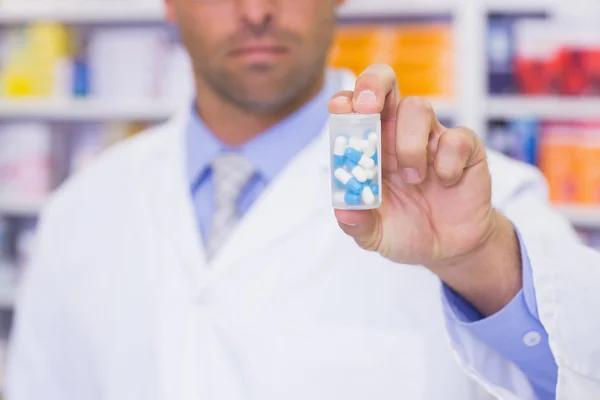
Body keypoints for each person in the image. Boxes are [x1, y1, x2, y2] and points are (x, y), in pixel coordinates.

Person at [5, 0, 600, 399]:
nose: (257, 12)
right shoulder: (81, 212)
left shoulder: (468, 195)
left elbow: (580, 366)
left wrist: (478, 260)